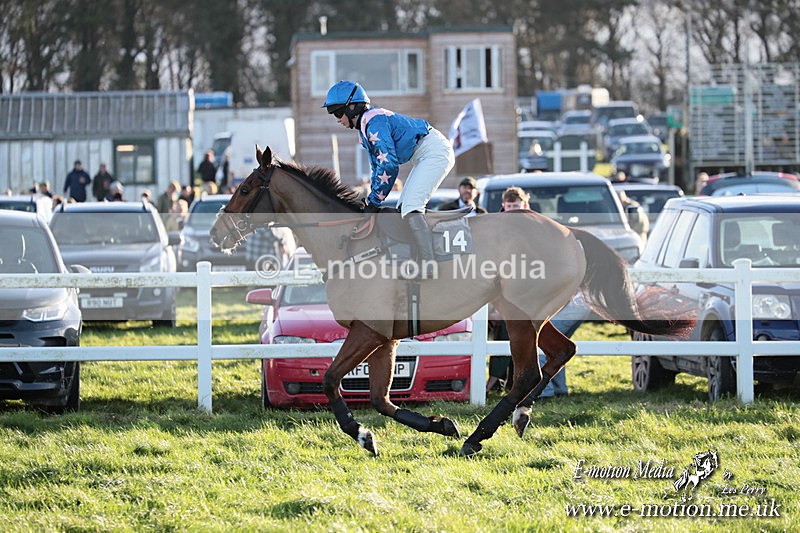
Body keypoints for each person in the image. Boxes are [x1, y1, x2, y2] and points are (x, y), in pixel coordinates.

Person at [323, 80, 455, 279]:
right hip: (425, 153)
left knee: (411, 205)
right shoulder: (366, 127)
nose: (337, 119)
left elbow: (389, 166)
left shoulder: (373, 122)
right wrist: (371, 199)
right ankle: (416, 258)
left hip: (435, 151)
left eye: (337, 113)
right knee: (404, 207)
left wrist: (375, 201)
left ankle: (429, 265)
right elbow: (378, 168)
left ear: (352, 107)